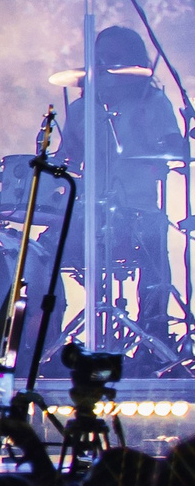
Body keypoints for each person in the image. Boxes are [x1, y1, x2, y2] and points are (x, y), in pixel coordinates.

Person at [58, 23, 185, 344]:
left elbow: (176, 147)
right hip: (87, 212)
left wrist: (163, 147)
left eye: (115, 58)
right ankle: (41, 339)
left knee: (155, 256)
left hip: (139, 211)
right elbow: (64, 164)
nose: (105, 66)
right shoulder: (79, 109)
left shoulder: (152, 104)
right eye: (100, 59)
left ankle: (155, 336)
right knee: (42, 258)